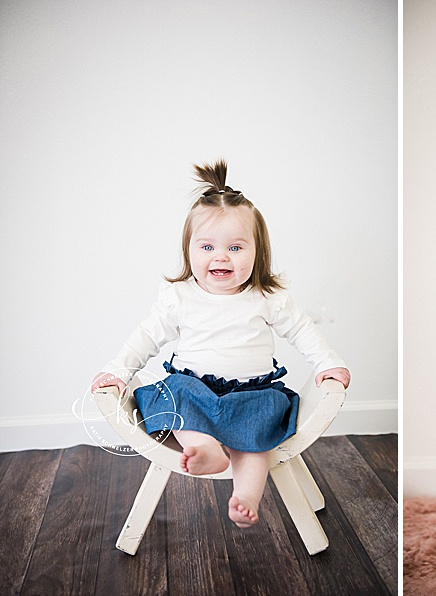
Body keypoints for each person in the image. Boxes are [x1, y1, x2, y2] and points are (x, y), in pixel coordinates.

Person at [91, 160, 350, 529]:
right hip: (193, 388)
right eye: (208, 246)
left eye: (236, 247)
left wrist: (327, 363)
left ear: (258, 251)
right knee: (173, 398)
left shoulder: (266, 296)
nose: (221, 256)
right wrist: (117, 371)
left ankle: (246, 496)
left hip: (253, 394)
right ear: (190, 251)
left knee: (257, 438)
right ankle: (205, 448)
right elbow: (146, 336)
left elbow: (302, 331)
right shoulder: (180, 297)